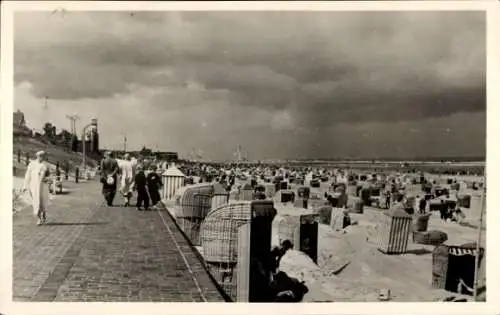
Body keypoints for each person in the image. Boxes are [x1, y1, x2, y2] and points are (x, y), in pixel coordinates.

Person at [22, 151, 51, 225]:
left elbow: (49, 176)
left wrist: (47, 179)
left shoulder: (46, 165)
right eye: (39, 156)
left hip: (43, 186)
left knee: (44, 202)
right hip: (34, 186)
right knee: (36, 202)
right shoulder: (32, 164)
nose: (41, 157)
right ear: (37, 156)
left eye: (42, 156)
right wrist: (25, 185)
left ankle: (44, 217)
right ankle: (38, 219)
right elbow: (27, 175)